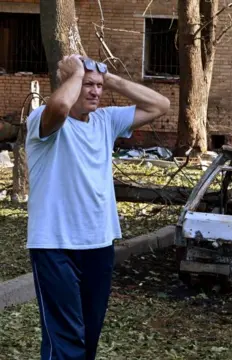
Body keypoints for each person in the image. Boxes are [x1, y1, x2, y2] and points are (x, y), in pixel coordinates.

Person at [25, 54, 170, 360]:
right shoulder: (43, 119)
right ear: (70, 83)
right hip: (55, 246)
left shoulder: (106, 121)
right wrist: (77, 73)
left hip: (98, 243)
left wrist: (111, 78)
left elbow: (161, 105)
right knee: (64, 340)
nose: (94, 91)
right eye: (87, 85)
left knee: (88, 337)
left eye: (98, 86)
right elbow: (62, 107)